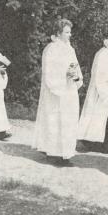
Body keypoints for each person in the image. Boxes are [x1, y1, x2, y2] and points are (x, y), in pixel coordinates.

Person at [32, 19, 83, 166]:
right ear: (58, 33)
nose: (70, 35)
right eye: (66, 32)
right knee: (55, 121)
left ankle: (65, 154)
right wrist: (63, 75)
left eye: (70, 32)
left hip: (69, 91)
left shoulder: (70, 49)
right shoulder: (51, 48)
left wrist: (75, 75)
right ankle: (53, 154)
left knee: (68, 122)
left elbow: (76, 67)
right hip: (55, 93)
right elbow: (49, 71)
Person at [77, 27, 108, 154]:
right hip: (103, 90)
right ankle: (92, 142)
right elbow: (99, 74)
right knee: (99, 115)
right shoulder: (103, 53)